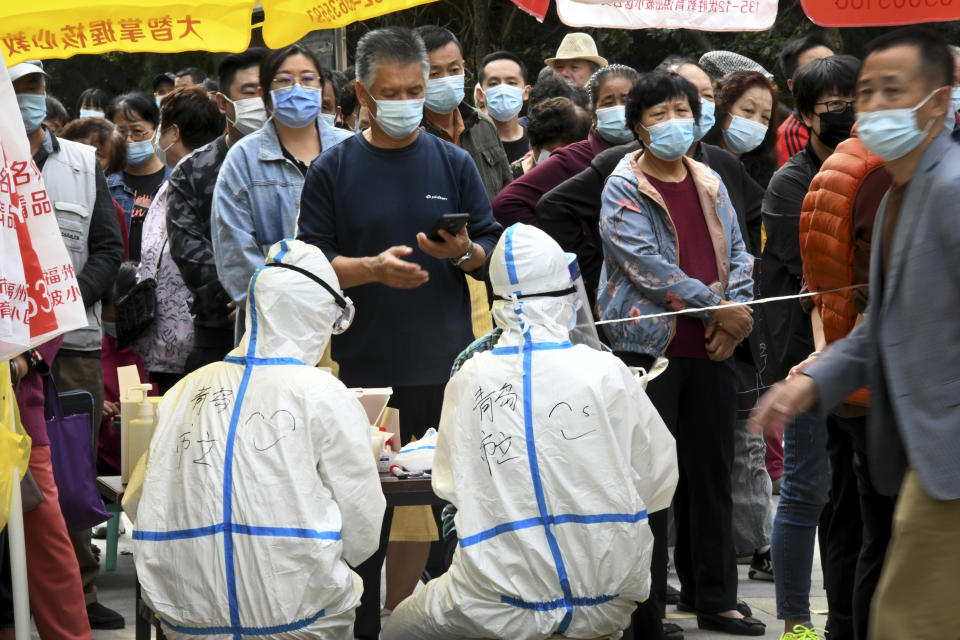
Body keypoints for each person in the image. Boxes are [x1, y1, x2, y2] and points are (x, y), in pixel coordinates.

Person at [750, 27, 959, 640]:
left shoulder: (947, 191)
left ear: (940, 103)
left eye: (892, 91)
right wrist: (816, 375)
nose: (871, 107)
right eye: (864, 93)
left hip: (946, 453)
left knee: (905, 620)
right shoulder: (900, 190)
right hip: (922, 452)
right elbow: (888, 320)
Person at [295, 26, 502, 639]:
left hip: (445, 366)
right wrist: (371, 270)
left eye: (418, 88)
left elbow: (488, 246)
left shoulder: (453, 160)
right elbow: (311, 263)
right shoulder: (333, 168)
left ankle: (427, 621)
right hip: (364, 375)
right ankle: (363, 623)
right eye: (393, 91)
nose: (408, 100)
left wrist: (464, 253)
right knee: (366, 513)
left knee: (445, 509)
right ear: (362, 92)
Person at [382, 223, 678, 640]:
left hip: (497, 603)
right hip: (611, 596)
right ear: (566, 295)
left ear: (497, 299)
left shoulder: (472, 376)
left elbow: (448, 485)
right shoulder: (607, 371)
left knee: (397, 629)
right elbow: (658, 478)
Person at [125, 240, 385, 640]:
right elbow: (362, 529)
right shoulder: (324, 394)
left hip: (188, 625)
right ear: (316, 313)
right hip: (303, 622)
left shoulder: (184, 391)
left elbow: (137, 501)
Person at [599, 70, 762, 636]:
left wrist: (735, 319)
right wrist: (717, 310)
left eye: (681, 111)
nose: (673, 123)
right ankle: (646, 608)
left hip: (713, 347)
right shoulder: (624, 185)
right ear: (638, 126)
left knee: (711, 473)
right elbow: (643, 264)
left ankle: (714, 596)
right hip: (650, 349)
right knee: (651, 479)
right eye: (658, 114)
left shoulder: (711, 180)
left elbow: (740, 254)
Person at [12, 59, 126, 632]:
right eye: (17, 89)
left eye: (36, 89)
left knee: (63, 484)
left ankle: (80, 597)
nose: (28, 99)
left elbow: (108, 248)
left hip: (66, 350)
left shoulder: (80, 163)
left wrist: (61, 305)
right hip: (16, 360)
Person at [757, 54, 860, 640]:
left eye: (855, 101)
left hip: (856, 358)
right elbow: (821, 280)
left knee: (850, 494)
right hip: (806, 355)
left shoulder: (868, 170)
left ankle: (845, 613)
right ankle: (796, 619)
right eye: (833, 107)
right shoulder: (792, 182)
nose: (846, 115)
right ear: (804, 116)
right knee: (804, 489)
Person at [798, 133, 893, 640]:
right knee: (884, 540)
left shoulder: (841, 163)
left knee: (854, 525)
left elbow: (814, 286)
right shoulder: (885, 174)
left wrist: (825, 357)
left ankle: (841, 627)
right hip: (883, 385)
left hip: (849, 380)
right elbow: (877, 295)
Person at [212, 44, 352, 313]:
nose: (298, 88)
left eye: (308, 79)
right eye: (285, 80)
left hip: (352, 314)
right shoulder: (243, 159)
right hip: (276, 324)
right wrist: (282, 307)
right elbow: (236, 258)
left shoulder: (351, 149)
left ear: (322, 88)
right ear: (265, 95)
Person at [167, 48, 268, 372]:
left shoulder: (297, 162)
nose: (262, 101)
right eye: (250, 91)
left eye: (268, 90)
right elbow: (190, 250)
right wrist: (245, 297)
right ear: (223, 102)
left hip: (292, 326)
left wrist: (273, 299)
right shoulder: (191, 170)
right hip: (220, 329)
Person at [132, 86, 223, 394]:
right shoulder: (174, 181)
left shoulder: (210, 180)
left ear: (174, 131)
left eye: (160, 127)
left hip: (201, 339)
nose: (158, 137)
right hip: (166, 345)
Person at [492, 64, 639, 227]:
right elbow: (505, 204)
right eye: (608, 102)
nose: (618, 109)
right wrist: (559, 244)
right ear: (593, 112)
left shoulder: (657, 153)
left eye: (626, 101)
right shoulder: (573, 158)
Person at [414, 25, 513, 201]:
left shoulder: (483, 125)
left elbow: (507, 192)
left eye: (454, 70)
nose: (446, 80)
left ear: (463, 67)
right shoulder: (411, 135)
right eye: (434, 73)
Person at [105, 92, 171, 261]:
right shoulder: (104, 184)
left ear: (157, 129)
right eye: (121, 132)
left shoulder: (176, 182)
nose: (129, 140)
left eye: (137, 131)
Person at [702, 70, 779, 189]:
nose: (756, 122)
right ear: (723, 108)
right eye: (748, 111)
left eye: (765, 117)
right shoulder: (696, 162)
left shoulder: (768, 180)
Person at [776, 34, 838, 167]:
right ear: (792, 85)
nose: (828, 77)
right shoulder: (791, 135)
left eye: (833, 66)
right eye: (816, 70)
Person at [512, 96, 590, 177]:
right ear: (534, 145)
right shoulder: (509, 178)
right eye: (554, 152)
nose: (562, 159)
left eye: (569, 153)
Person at [475, 51, 532, 163]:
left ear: (526, 92)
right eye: (493, 84)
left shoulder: (539, 142)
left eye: (511, 83)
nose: (503, 91)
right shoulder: (469, 144)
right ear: (480, 95)